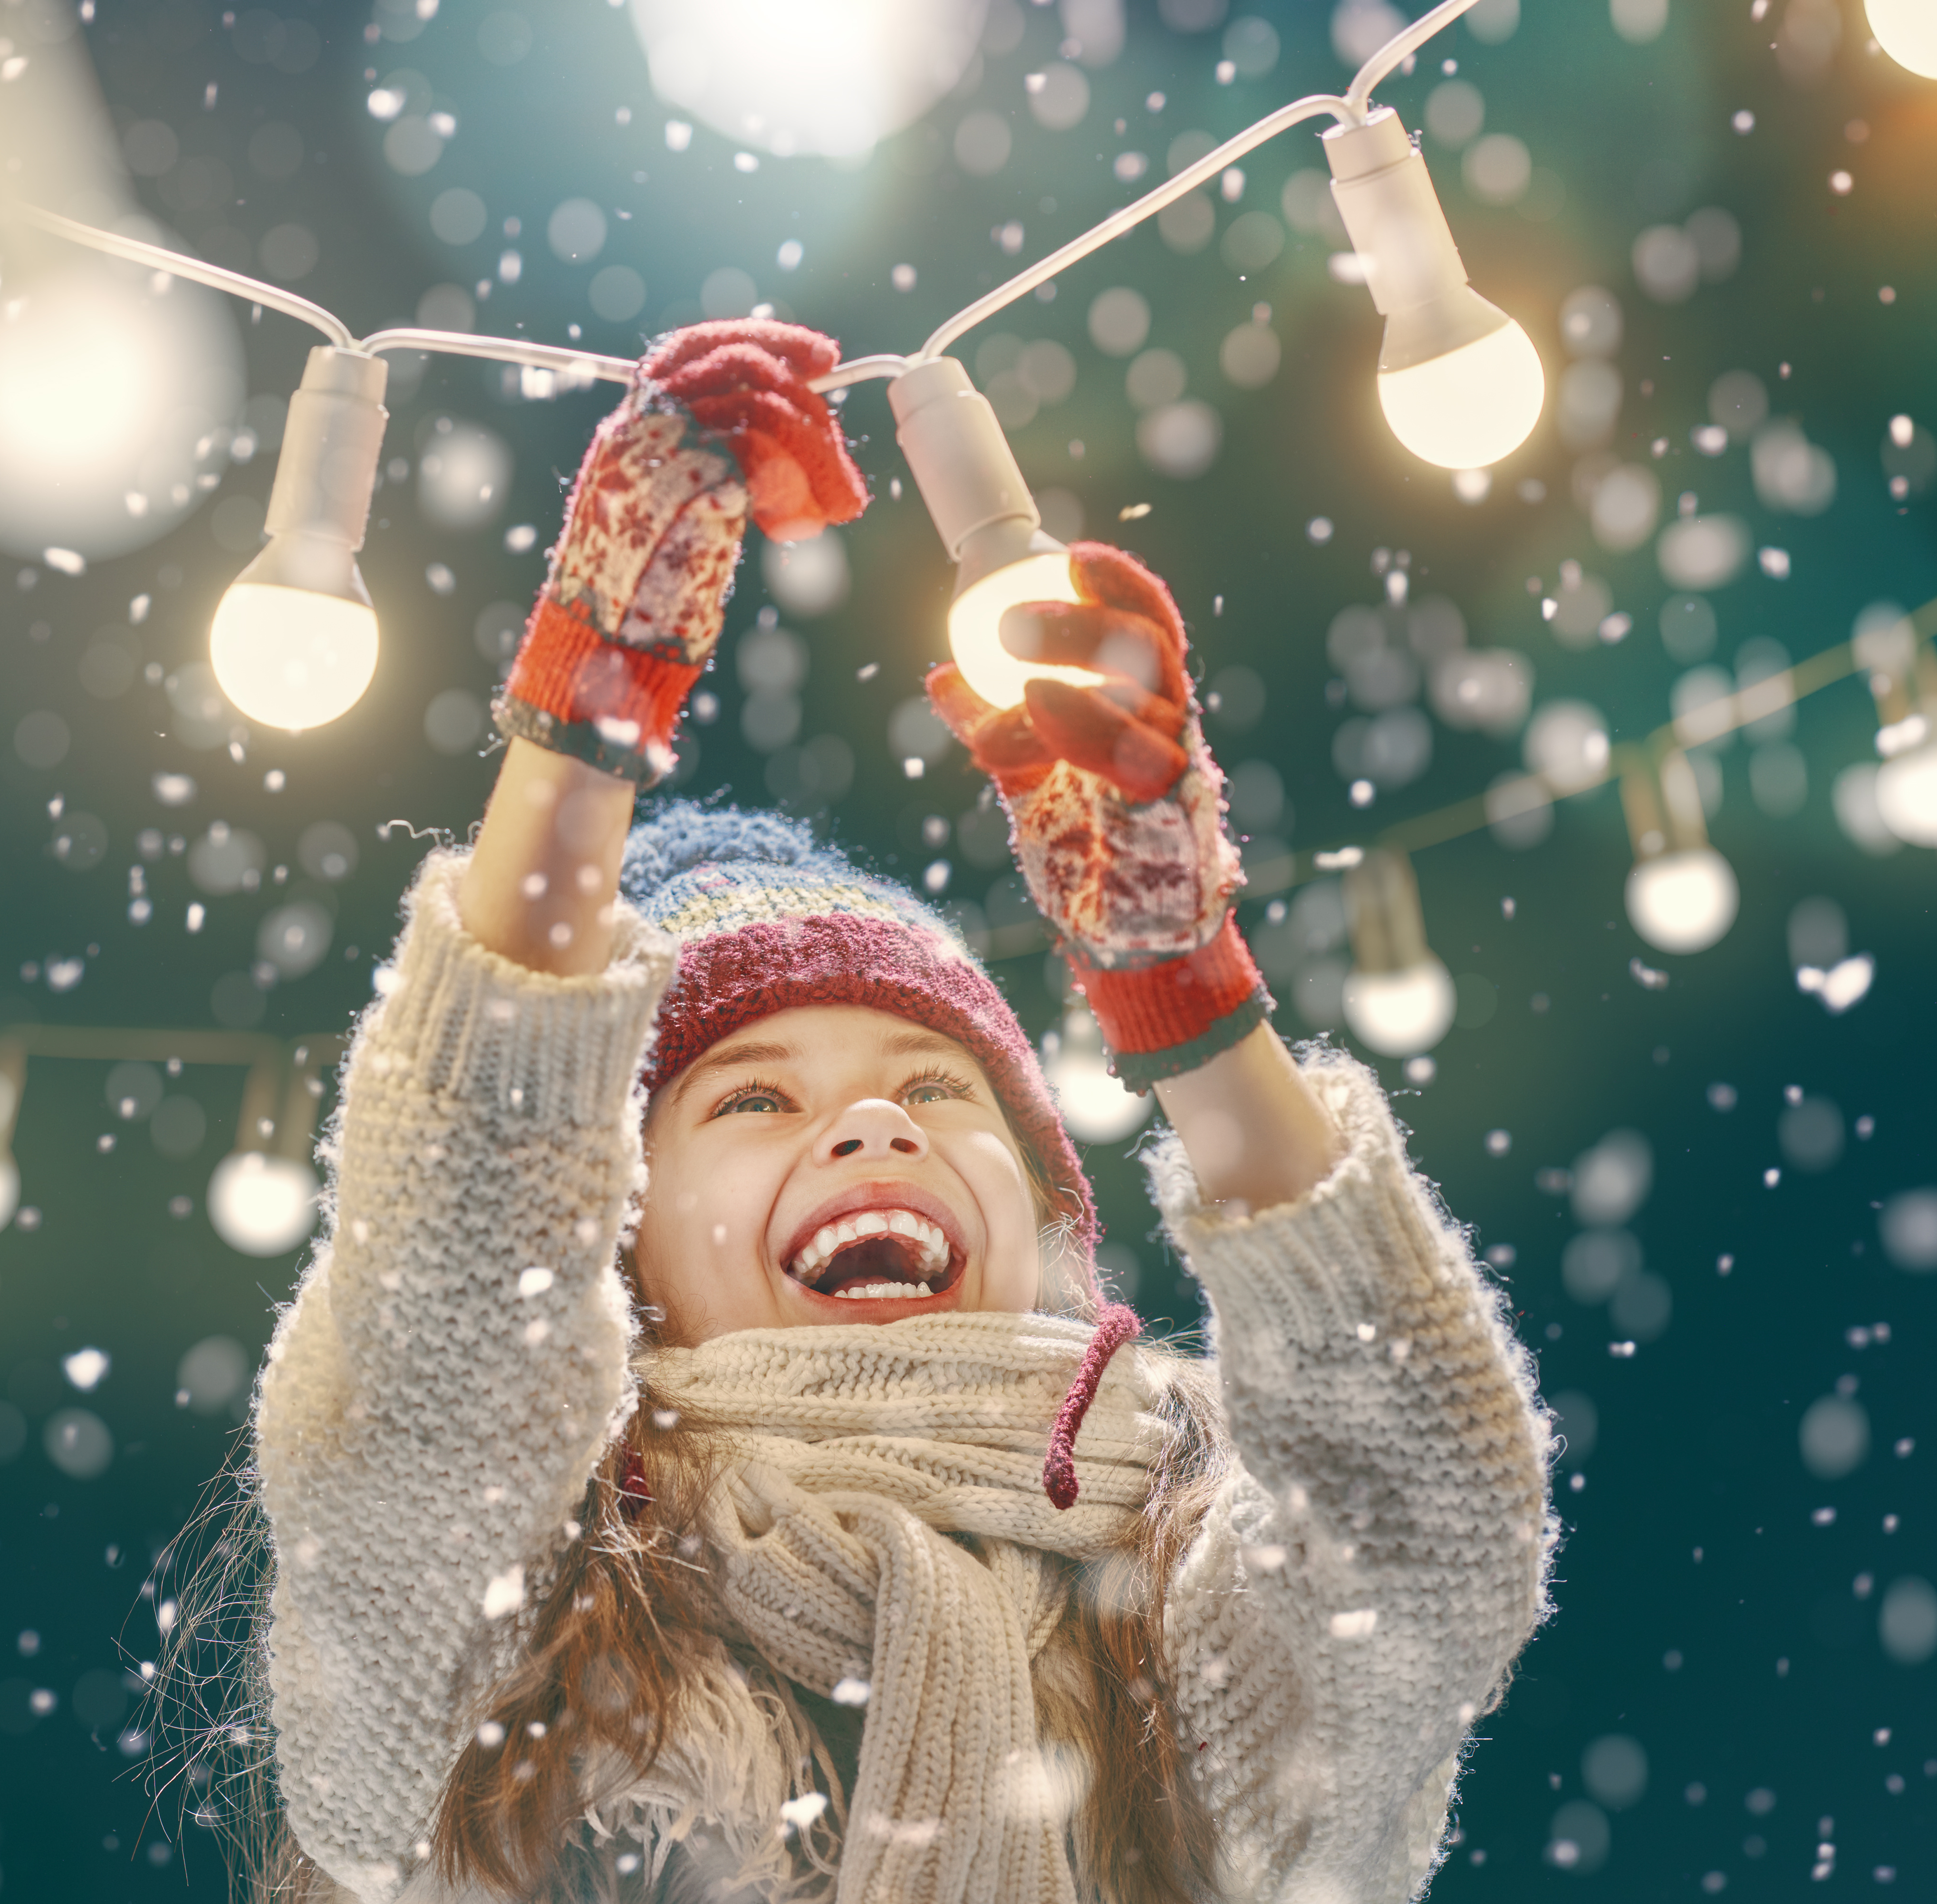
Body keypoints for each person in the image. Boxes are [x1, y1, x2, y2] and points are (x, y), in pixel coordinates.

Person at [209, 321, 1556, 1903]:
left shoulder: (1179, 1632)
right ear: (611, 1245)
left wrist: (1187, 998)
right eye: (756, 1097)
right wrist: (586, 725)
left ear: (1050, 1212)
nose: (873, 1133)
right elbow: (438, 1335)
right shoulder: (507, 1633)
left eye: (935, 1087)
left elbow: (1430, 1517)